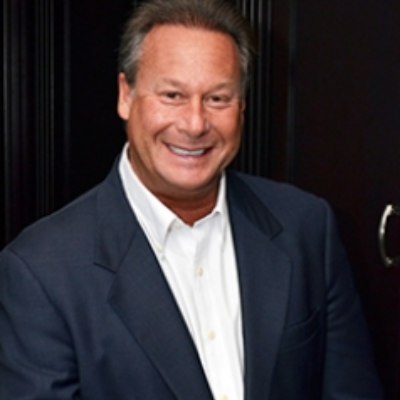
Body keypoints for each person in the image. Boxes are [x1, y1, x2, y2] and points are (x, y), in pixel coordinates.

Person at [0, 0, 383, 399]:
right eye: (172, 95)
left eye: (217, 98)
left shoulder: (307, 227)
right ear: (126, 96)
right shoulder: (40, 272)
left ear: (242, 107)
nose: (195, 123)